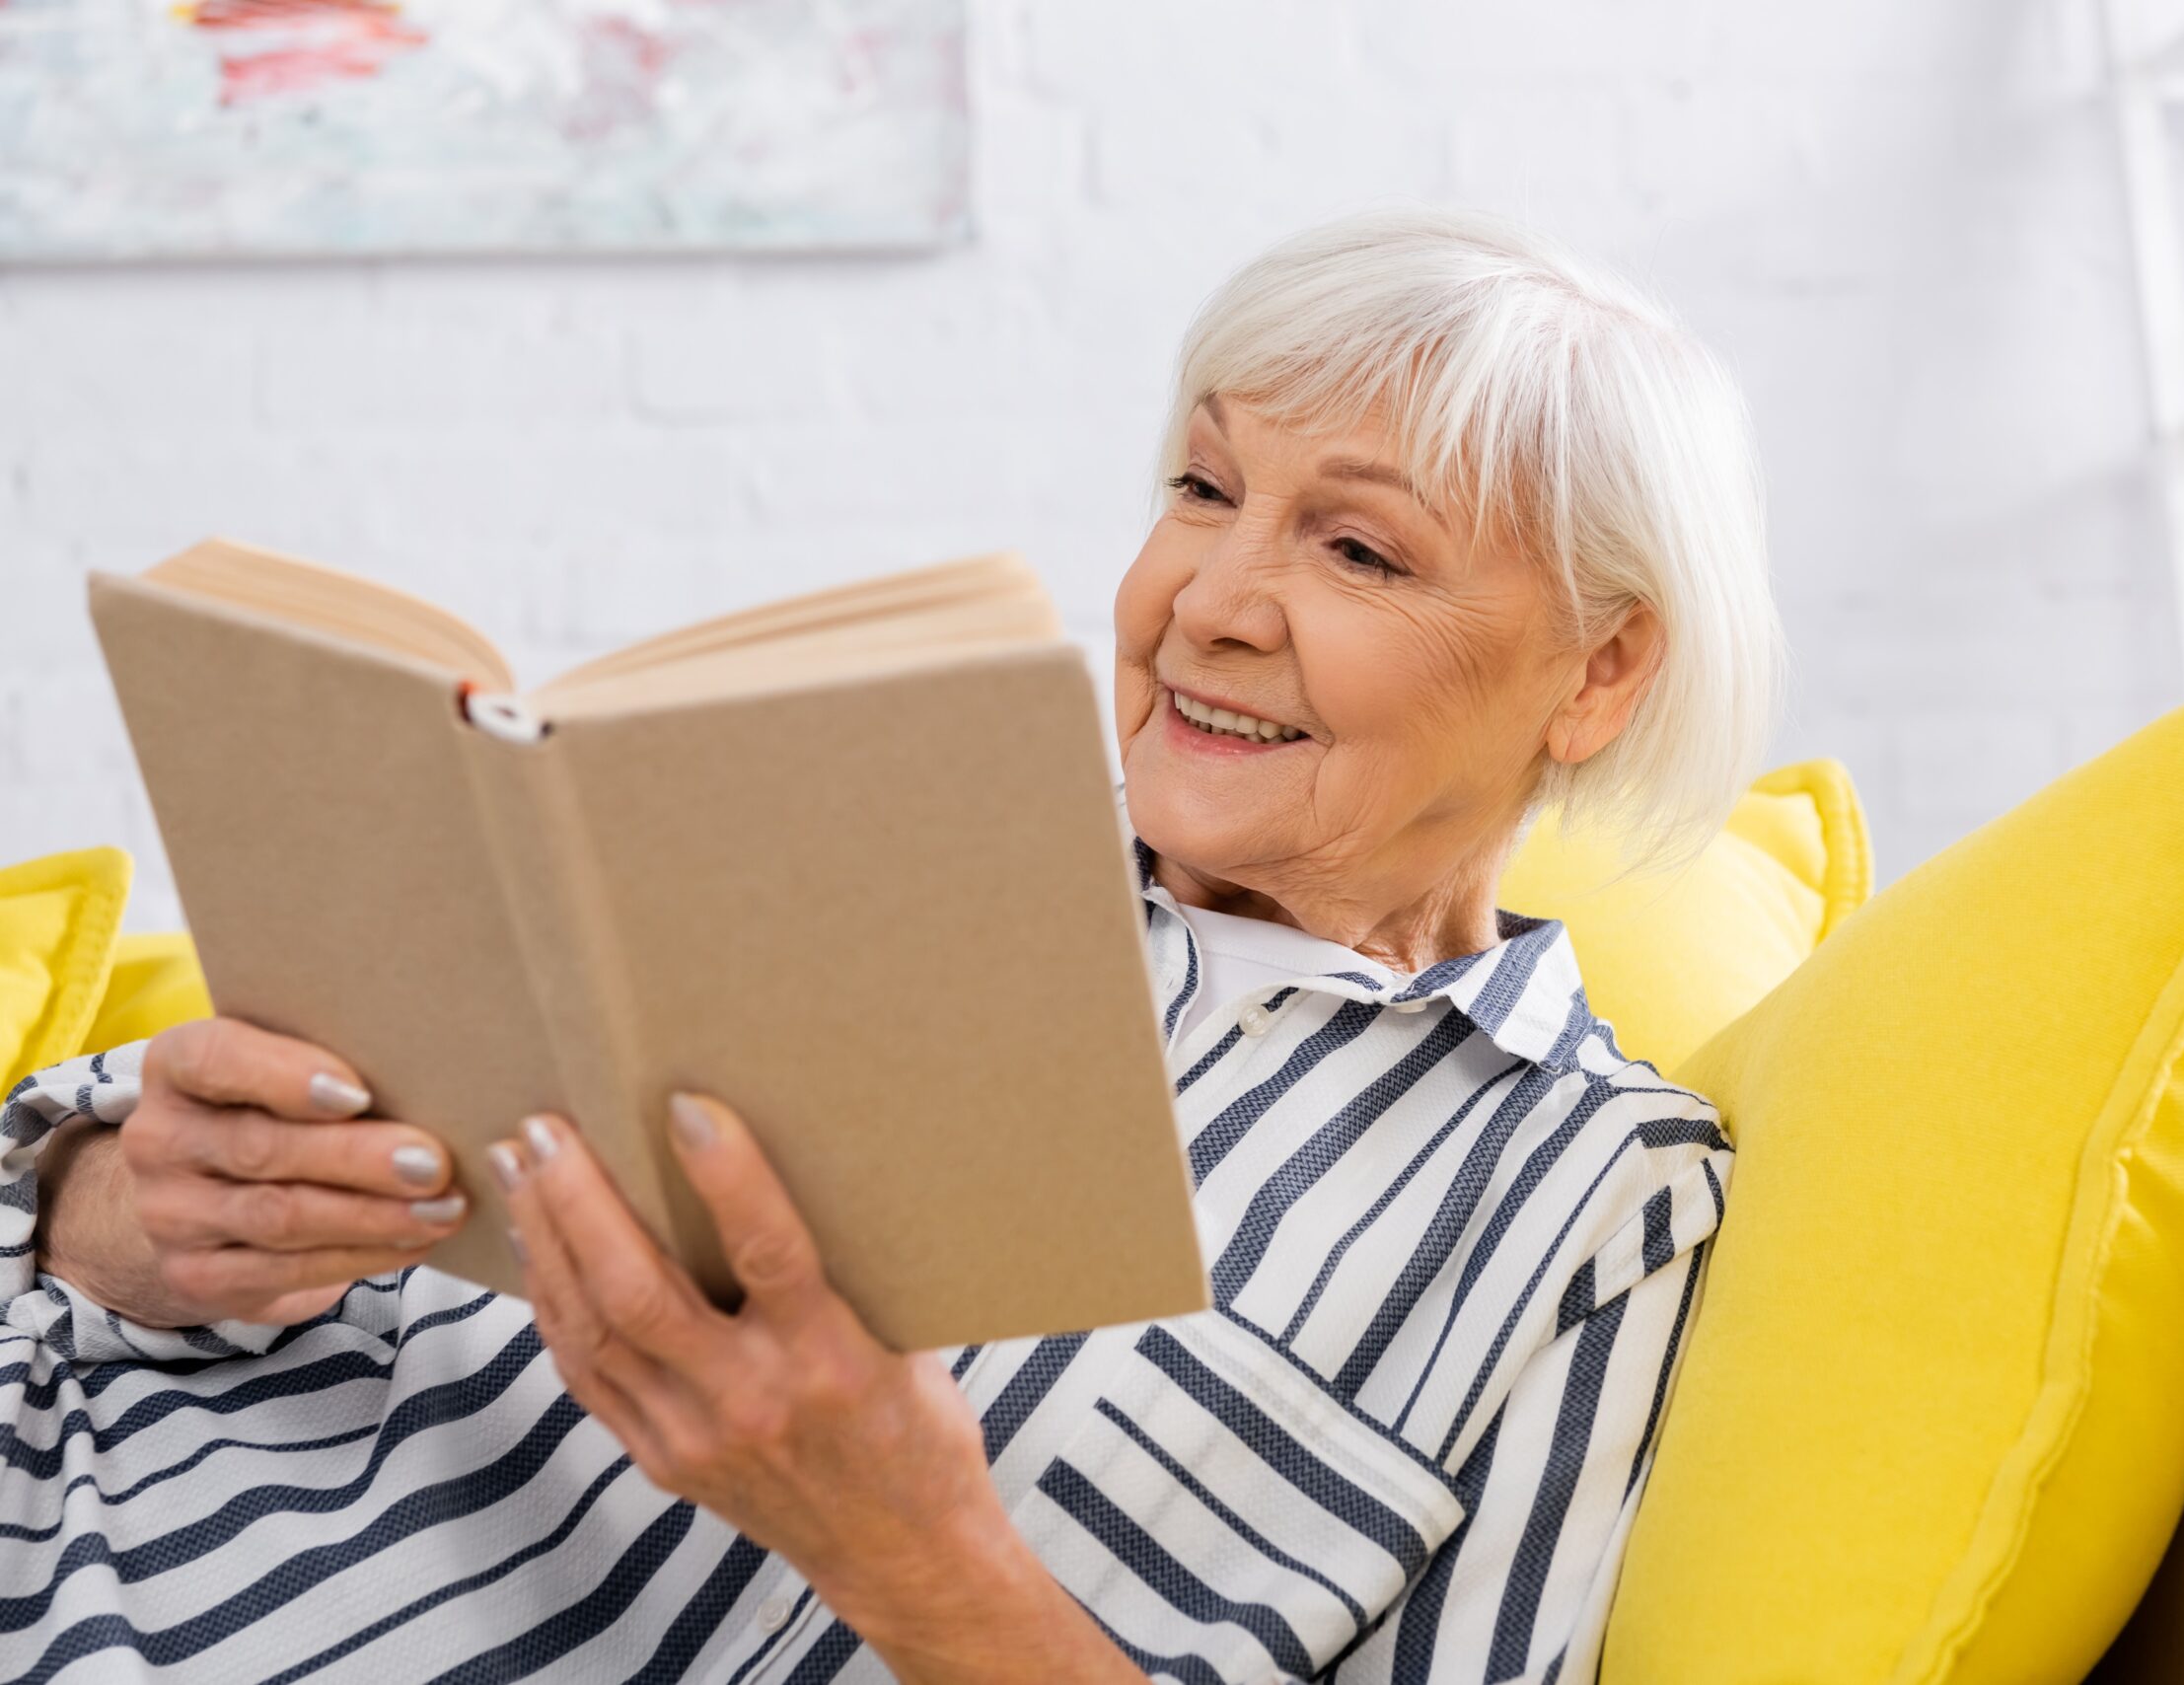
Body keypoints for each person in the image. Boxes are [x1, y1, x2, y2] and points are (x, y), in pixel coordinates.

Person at [2, 205, 1783, 1682]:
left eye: (1362, 553)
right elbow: (60, 1201)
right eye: (1201, 487)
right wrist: (152, 1210)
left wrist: (907, 1551)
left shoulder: (1587, 1200)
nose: (1212, 607)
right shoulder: (840, 813)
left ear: (1601, 673)